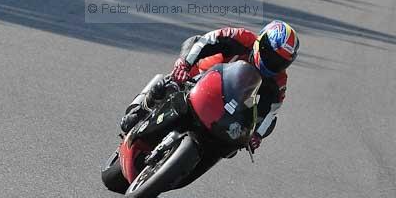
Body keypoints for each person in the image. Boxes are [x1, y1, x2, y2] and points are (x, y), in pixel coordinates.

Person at [120, 20, 299, 152]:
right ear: (261, 43)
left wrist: (256, 135)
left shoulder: (279, 81)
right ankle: (143, 108)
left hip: (226, 109)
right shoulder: (242, 38)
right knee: (169, 86)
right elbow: (206, 40)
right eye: (271, 55)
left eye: (280, 62)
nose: (272, 62)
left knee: (230, 147)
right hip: (197, 78)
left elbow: (270, 113)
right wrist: (184, 63)